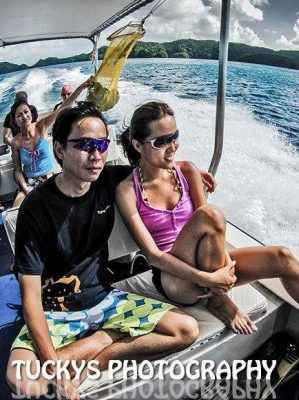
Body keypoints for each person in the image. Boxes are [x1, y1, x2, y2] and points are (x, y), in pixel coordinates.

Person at [117, 101, 299, 339]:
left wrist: (221, 268)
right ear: (138, 146)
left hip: (210, 266)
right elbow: (153, 256)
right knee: (210, 214)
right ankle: (219, 300)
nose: (172, 146)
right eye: (160, 141)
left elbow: (213, 234)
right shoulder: (128, 190)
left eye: (174, 136)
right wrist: (210, 279)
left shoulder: (187, 171)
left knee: (282, 256)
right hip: (177, 280)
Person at [5, 102, 201, 400]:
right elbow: (30, 298)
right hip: (56, 309)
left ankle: (104, 351)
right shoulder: (36, 209)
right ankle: (105, 337)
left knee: (186, 329)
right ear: (59, 150)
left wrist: (190, 172)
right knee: (22, 381)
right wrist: (56, 374)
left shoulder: (111, 180)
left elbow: (154, 165)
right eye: (84, 145)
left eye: (101, 145)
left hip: (105, 298)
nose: (96, 156)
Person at [10, 79, 89, 207]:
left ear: (30, 112)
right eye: (19, 115)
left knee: (64, 205)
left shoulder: (41, 126)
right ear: (14, 120)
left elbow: (64, 106)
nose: (24, 117)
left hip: (50, 180)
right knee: (15, 212)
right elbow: (18, 171)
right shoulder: (16, 143)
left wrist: (82, 87)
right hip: (29, 183)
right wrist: (25, 188)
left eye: (26, 112)